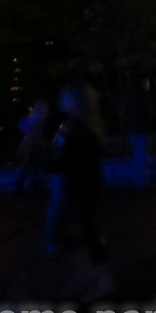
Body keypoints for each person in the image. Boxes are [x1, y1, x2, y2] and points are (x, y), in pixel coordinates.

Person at [45, 82, 115, 301]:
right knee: (79, 232)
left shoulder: (79, 128)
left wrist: (57, 158)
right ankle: (89, 276)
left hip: (81, 185)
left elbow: (75, 160)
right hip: (80, 184)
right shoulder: (76, 125)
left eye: (65, 98)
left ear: (75, 102)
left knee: (84, 232)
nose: (60, 101)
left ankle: (102, 280)